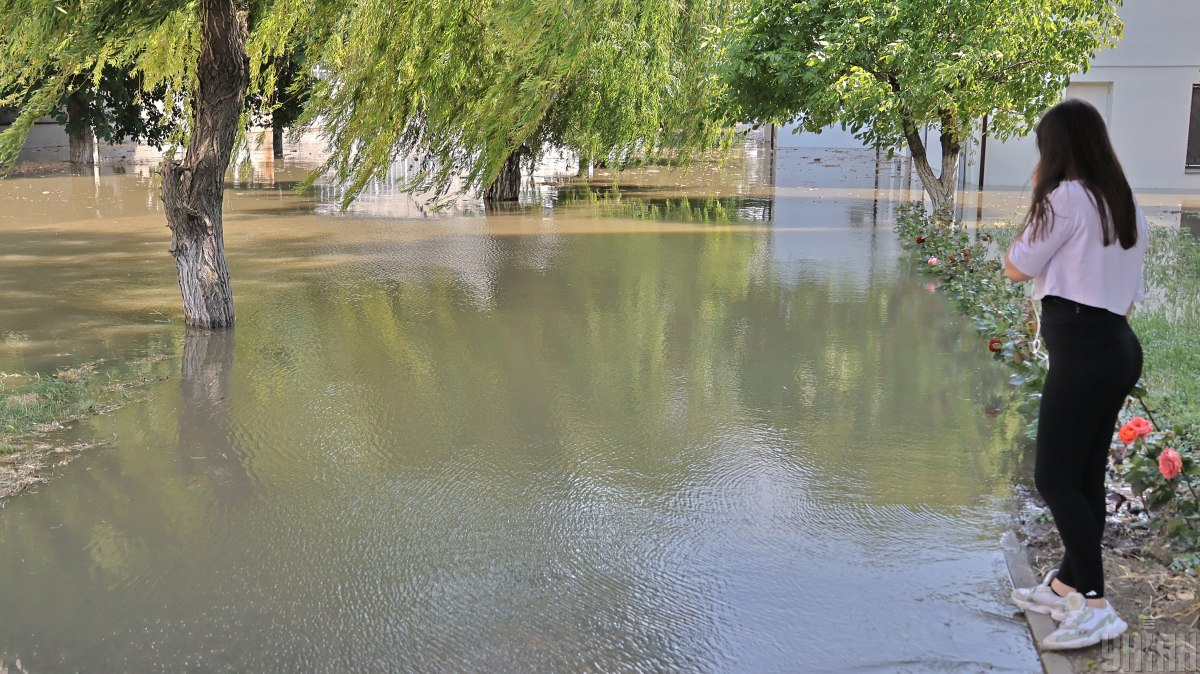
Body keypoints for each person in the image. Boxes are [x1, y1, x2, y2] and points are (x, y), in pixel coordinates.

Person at [1003, 98, 1148, 651]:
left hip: (1085, 350)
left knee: (1054, 477)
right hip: (1115, 345)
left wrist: (1038, 196)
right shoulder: (1122, 201)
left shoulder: (1063, 198)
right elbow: (1126, 293)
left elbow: (1017, 266)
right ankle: (1067, 583)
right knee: (1084, 474)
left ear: (1057, 149)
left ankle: (1095, 604)